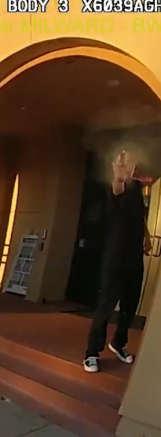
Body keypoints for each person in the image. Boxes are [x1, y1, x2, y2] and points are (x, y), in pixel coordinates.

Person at [83, 150, 152, 373]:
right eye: (125, 163)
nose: (130, 167)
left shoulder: (138, 190)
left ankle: (118, 343)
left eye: (132, 163)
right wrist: (118, 179)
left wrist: (147, 236)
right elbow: (116, 190)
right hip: (115, 256)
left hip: (134, 257)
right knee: (107, 304)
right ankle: (92, 353)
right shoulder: (117, 187)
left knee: (130, 304)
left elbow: (138, 217)